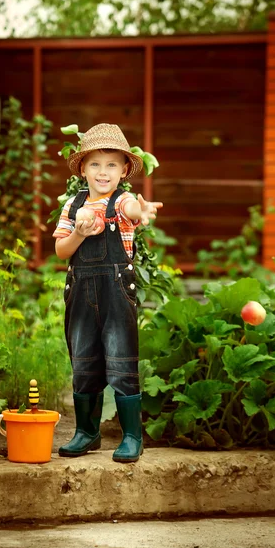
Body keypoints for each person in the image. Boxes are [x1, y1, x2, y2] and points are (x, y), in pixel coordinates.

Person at [53, 123, 163, 463]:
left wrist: (141, 213)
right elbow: (61, 250)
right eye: (96, 164)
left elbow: (132, 210)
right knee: (84, 361)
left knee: (120, 361)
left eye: (112, 164)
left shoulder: (123, 201)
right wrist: (80, 235)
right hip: (81, 294)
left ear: (124, 170)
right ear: (83, 168)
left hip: (116, 295)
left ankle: (133, 435)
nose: (103, 172)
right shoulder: (73, 205)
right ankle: (87, 432)